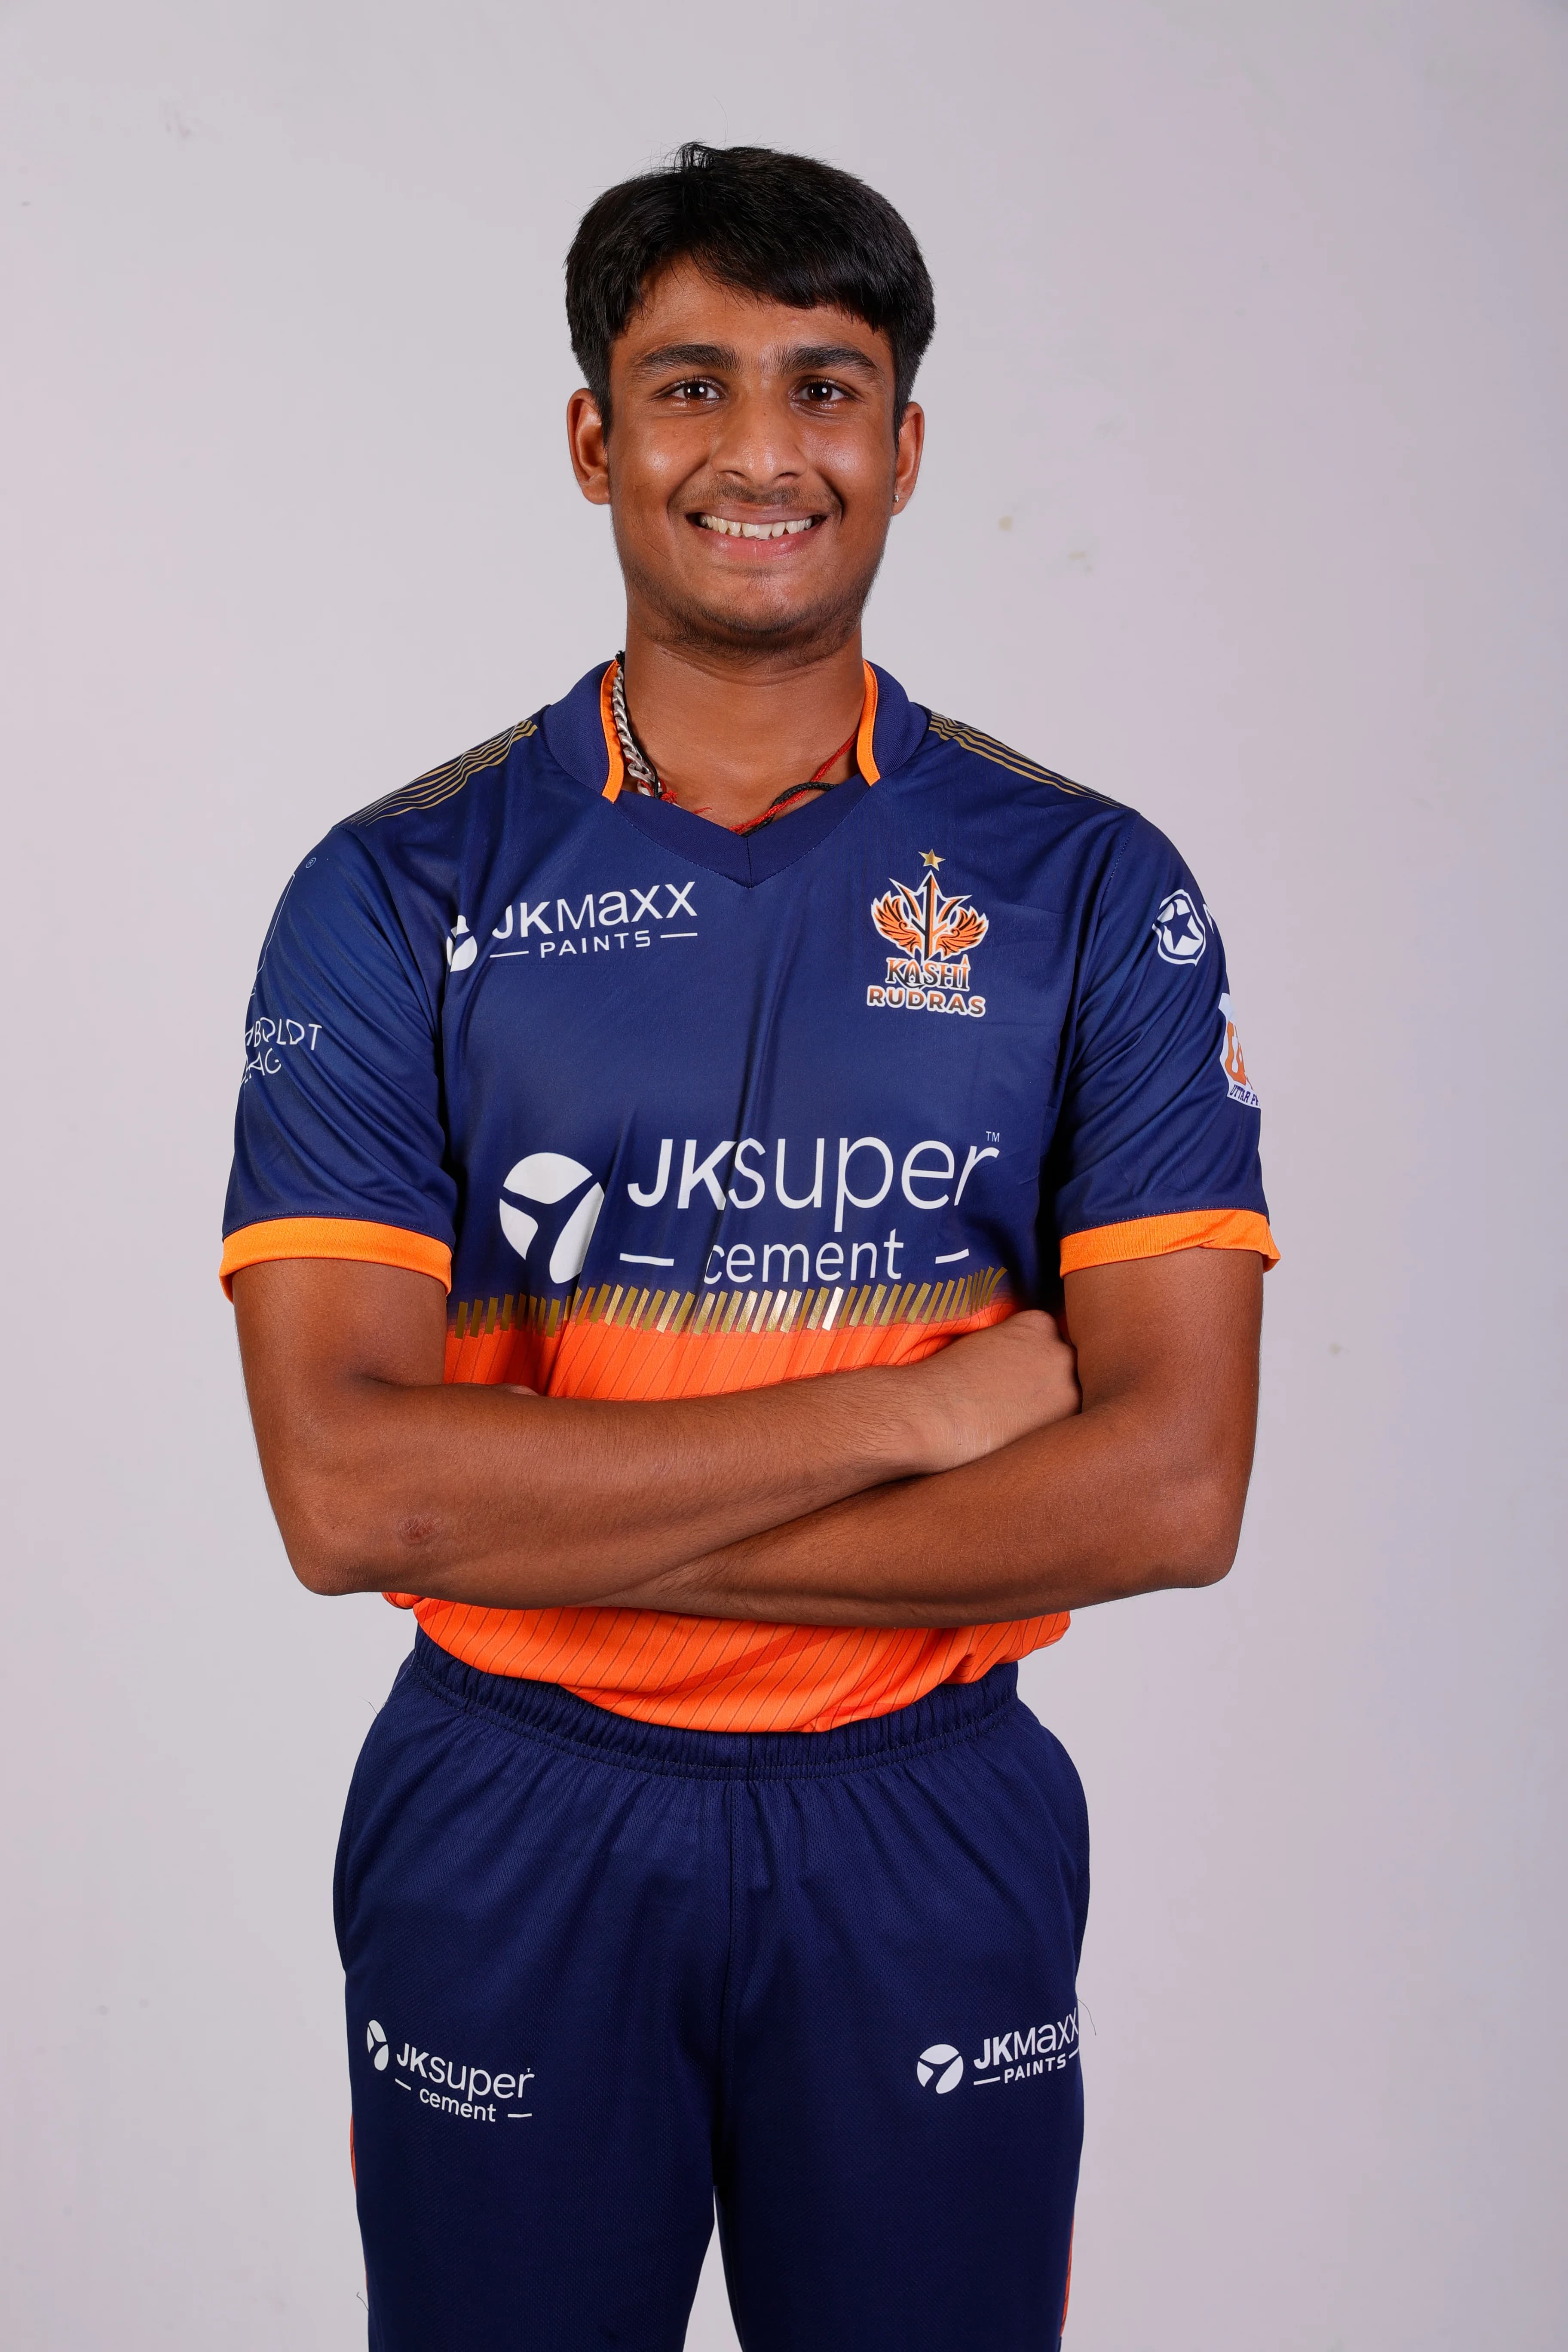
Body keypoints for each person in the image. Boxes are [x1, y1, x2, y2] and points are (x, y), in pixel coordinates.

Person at [224, 142, 1276, 2352]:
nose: (762, 450)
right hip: (514, 1813)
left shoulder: (1086, 887)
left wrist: (557, 1529)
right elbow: (349, 1494)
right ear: (594, 438)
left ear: (907, 445)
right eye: (690, 386)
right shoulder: (395, 890)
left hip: (924, 1815)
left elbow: (1173, 1492)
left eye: (826, 385)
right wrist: (916, 1414)